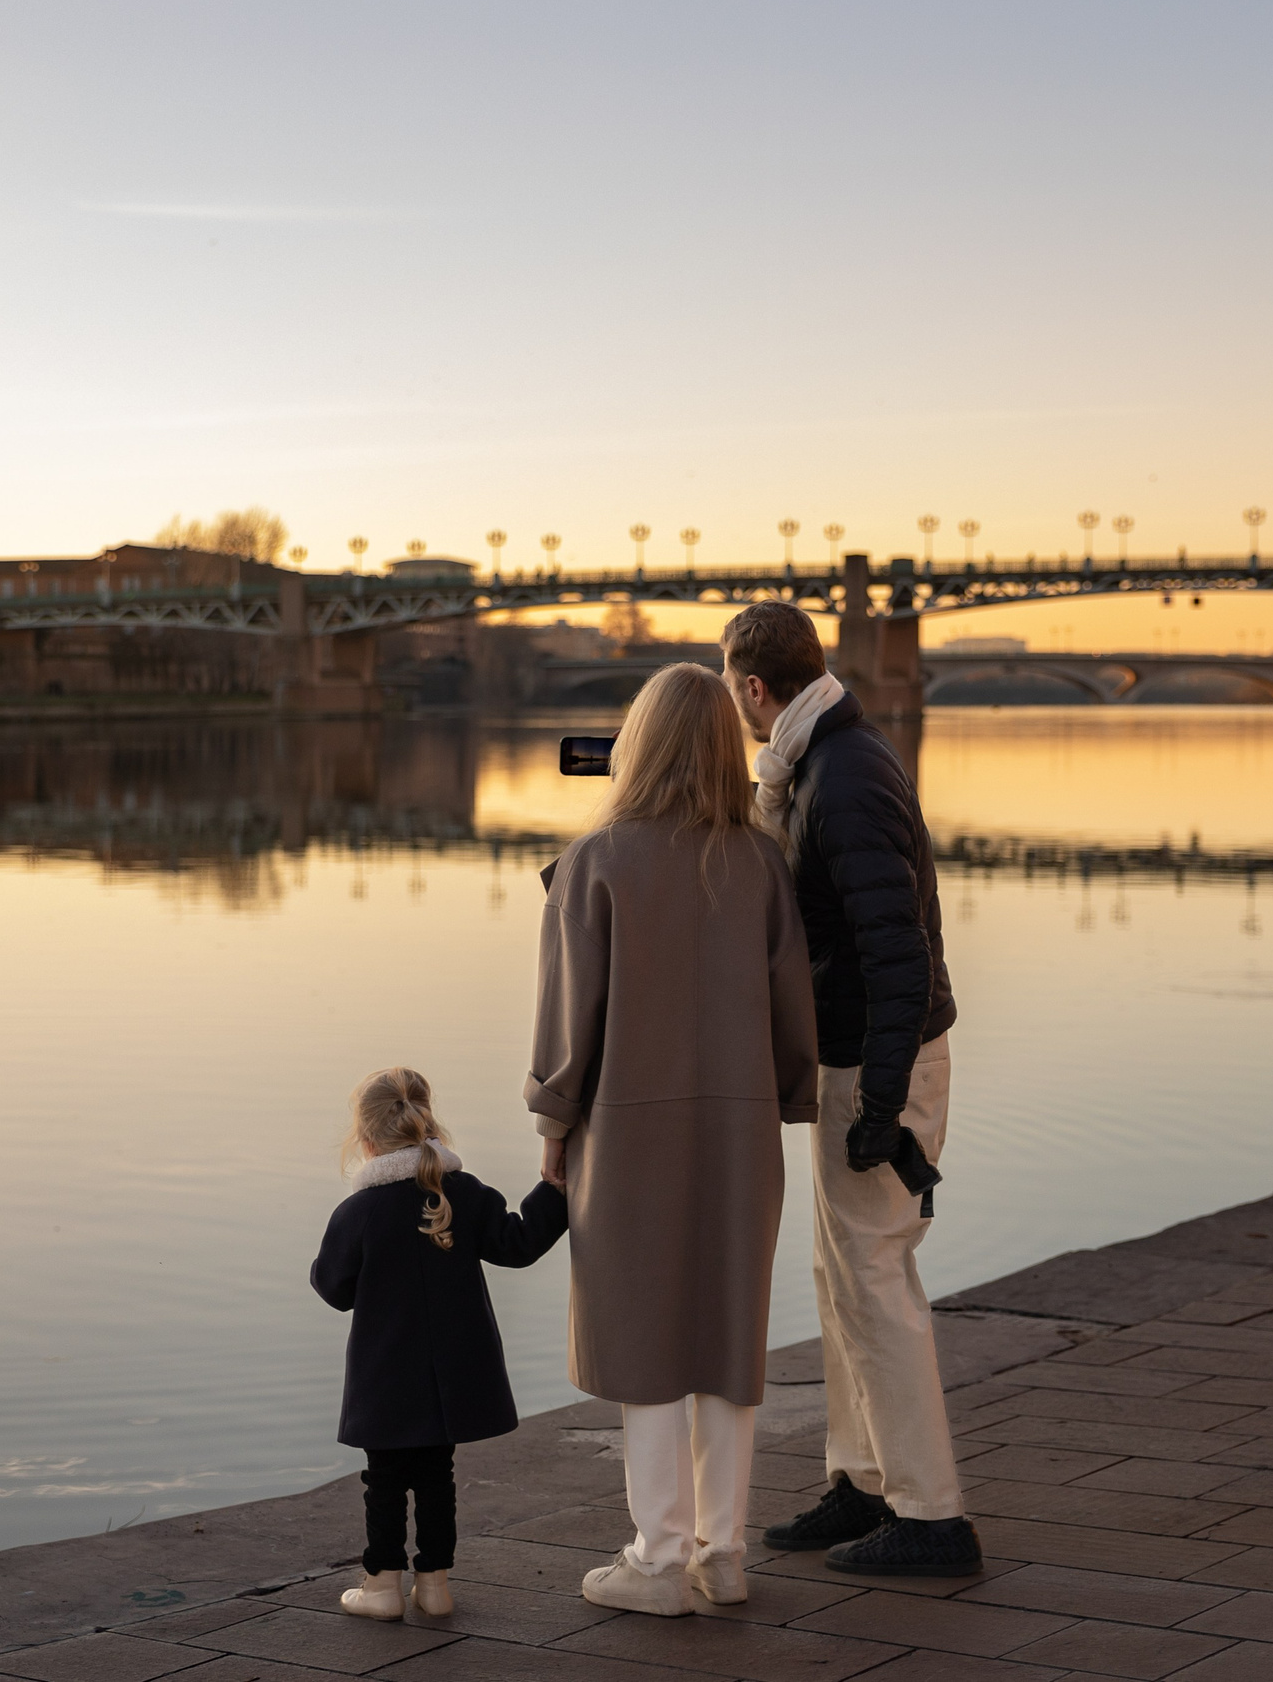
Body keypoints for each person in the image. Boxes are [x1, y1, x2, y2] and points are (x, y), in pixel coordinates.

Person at [527, 663, 820, 1616]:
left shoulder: (597, 859)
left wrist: (551, 1122)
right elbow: (792, 1009)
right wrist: (786, 1098)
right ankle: (721, 1551)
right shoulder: (763, 860)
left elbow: (572, 1020)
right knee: (725, 1334)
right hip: (740, 1130)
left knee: (643, 1338)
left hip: (627, 1131)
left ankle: (657, 1557)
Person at [719, 601, 981, 1579]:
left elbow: (897, 946)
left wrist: (878, 1103)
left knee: (875, 1281)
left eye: (731, 692)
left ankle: (932, 1515)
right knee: (842, 1283)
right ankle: (862, 1482)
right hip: (859, 1055)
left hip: (885, 1058)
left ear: (753, 688)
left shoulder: (846, 777)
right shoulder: (818, 761)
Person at [310, 1067, 568, 1621]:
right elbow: (519, 1243)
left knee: (384, 1480)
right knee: (436, 1475)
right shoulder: (465, 1193)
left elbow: (333, 1288)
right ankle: (434, 1584)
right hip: (455, 1374)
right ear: (428, 1122)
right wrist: (555, 1191)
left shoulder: (360, 1211)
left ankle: (381, 1586)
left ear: (367, 1139)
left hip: (386, 1374)